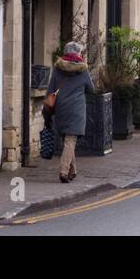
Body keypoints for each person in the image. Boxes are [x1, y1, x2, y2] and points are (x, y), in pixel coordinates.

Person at [45, 41, 93, 183]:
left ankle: (73, 170)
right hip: (77, 109)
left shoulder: (58, 69)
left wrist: (47, 109)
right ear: (77, 53)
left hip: (61, 108)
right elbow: (91, 89)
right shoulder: (83, 70)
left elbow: (50, 90)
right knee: (70, 141)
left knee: (68, 140)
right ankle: (64, 171)